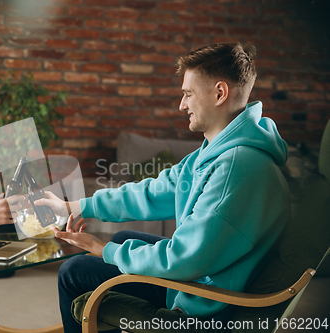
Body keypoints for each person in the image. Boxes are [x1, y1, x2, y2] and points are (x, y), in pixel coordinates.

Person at [34, 42, 291, 332]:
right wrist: (74, 206)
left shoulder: (237, 167)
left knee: (72, 271)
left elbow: (183, 258)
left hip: (211, 305)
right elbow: (153, 192)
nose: (182, 105)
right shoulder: (216, 152)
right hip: (202, 278)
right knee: (124, 238)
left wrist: (102, 248)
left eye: (188, 94)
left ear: (220, 93)